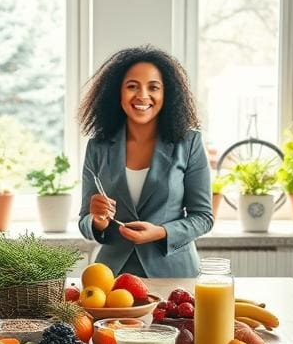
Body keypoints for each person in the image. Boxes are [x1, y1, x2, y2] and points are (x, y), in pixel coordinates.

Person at [78, 45, 213, 278]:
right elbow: (84, 221)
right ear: (117, 93)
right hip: (112, 277)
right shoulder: (97, 147)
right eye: (132, 86)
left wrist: (161, 232)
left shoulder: (189, 143)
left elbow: (203, 217)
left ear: (166, 94)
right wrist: (97, 220)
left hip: (174, 276)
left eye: (153, 87)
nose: (142, 95)